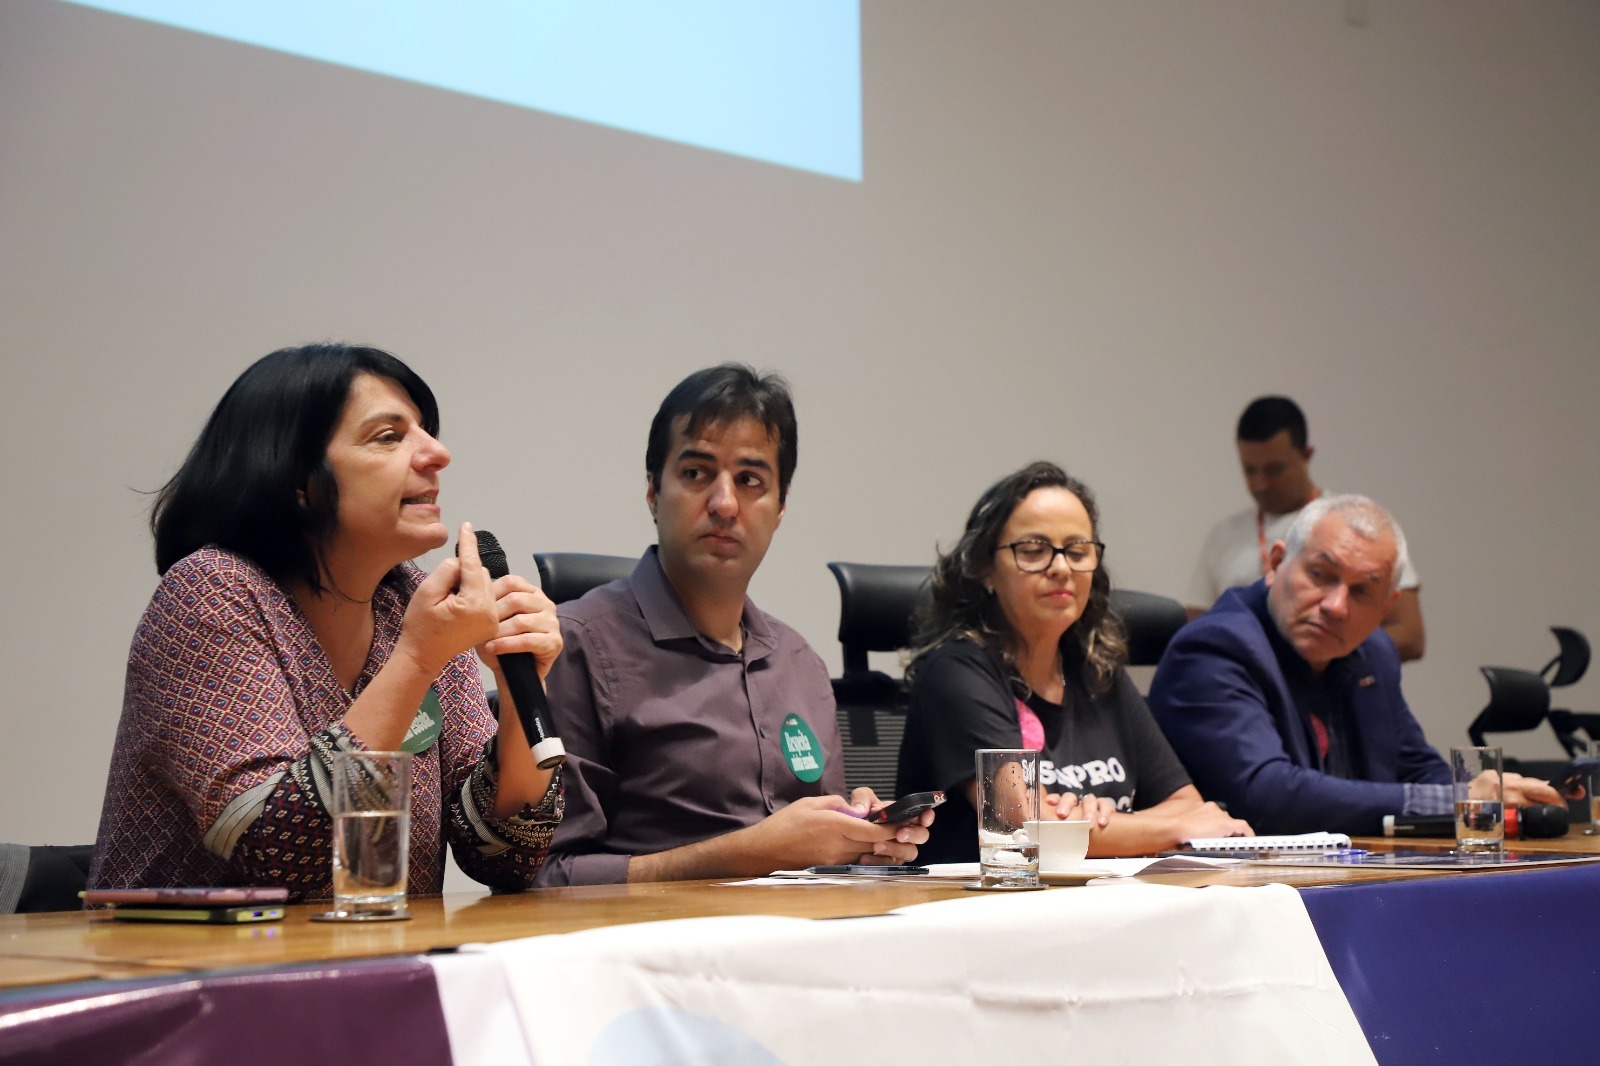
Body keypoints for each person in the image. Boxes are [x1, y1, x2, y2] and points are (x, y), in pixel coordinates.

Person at [89, 344, 564, 898]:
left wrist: (515, 684)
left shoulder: (409, 601)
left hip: (372, 959)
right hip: (186, 970)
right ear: (298, 480)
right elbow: (285, 854)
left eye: (425, 431)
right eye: (389, 436)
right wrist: (417, 660)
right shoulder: (212, 592)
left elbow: (506, 857)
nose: (437, 452)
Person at [536, 364, 931, 886]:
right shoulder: (578, 645)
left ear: (781, 508)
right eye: (697, 473)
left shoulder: (799, 662)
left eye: (750, 481)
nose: (724, 504)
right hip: (654, 952)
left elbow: (811, 853)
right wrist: (749, 853)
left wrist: (858, 837)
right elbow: (545, 878)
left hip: (803, 942)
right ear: (654, 491)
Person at [896, 462, 1251, 863]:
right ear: (984, 569)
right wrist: (1169, 829)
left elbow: (1187, 803)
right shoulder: (956, 672)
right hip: (980, 912)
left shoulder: (1098, 671)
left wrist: (1107, 822)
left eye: (1077, 551)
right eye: (1033, 550)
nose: (1062, 567)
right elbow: (1024, 828)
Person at [1152, 494, 1559, 835]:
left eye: (1362, 592)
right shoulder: (1215, 647)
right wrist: (1455, 799)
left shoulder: (1373, 653)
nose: (1336, 606)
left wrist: (1488, 792)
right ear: (1276, 564)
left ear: (1387, 607)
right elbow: (1268, 795)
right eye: (1321, 574)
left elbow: (1415, 767)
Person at [1187, 396, 1426, 661]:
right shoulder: (1224, 537)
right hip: (1244, 682)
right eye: (1249, 470)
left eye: (1274, 469)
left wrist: (1323, 644)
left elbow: (1410, 636)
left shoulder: (1357, 527)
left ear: (1306, 455)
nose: (1260, 484)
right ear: (1277, 561)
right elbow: (1195, 630)